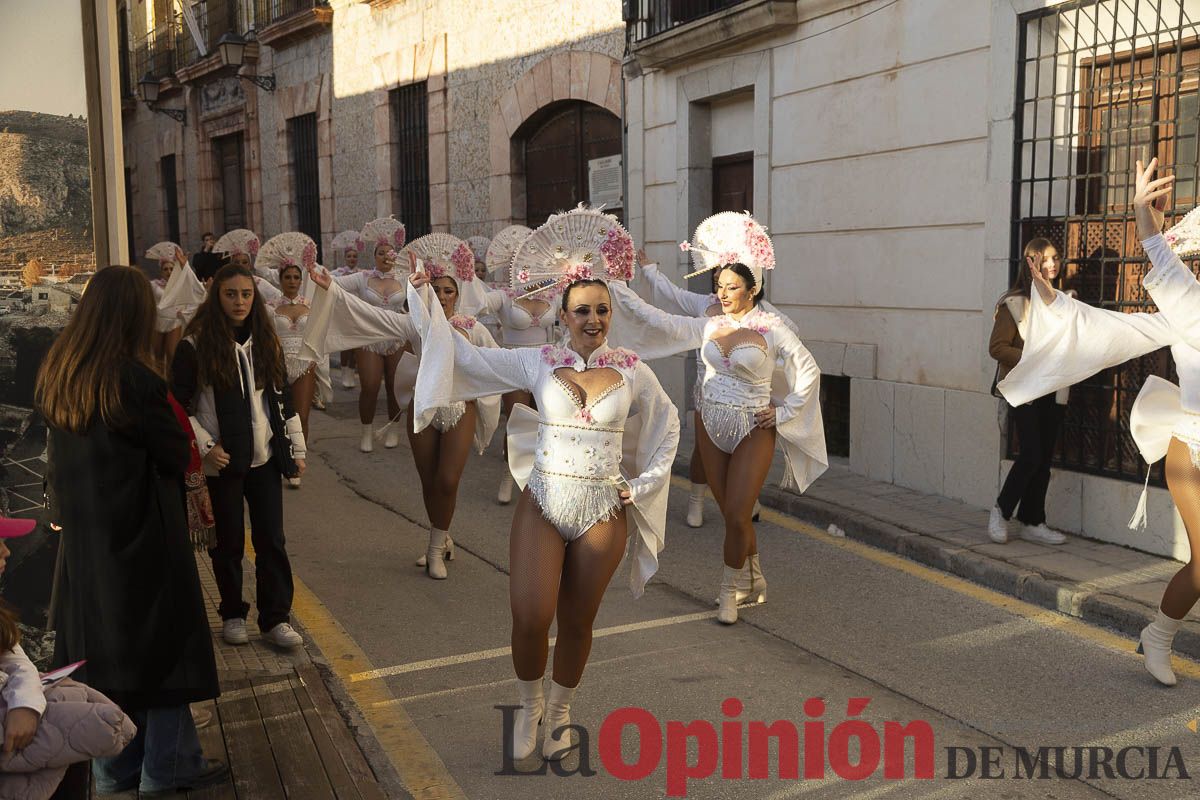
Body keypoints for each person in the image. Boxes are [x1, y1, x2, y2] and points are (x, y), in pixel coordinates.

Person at [308, 207, 679, 760]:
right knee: (531, 614)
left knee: (578, 620)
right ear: (563, 312)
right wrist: (424, 301)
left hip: (604, 509)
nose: (594, 319)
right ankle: (529, 703)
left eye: (602, 309)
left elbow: (667, 427)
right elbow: (467, 357)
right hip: (545, 500)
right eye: (583, 310)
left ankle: (559, 710)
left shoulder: (632, 370)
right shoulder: (537, 362)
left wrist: (642, 485)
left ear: (611, 313)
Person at [1000, 158, 1200, 687]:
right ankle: (1157, 636)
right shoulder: (1185, 308)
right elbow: (1150, 273)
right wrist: (1143, 216)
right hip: (1194, 450)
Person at [37, 266, 226, 794]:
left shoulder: (61, 370)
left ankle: (114, 765)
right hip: (144, 537)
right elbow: (172, 450)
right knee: (163, 653)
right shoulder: (135, 379)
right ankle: (168, 766)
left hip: (87, 546)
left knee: (110, 657)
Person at [607, 212, 828, 625]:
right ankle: (755, 576)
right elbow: (663, 319)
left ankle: (729, 590)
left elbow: (808, 370)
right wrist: (616, 291)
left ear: (753, 288)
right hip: (711, 424)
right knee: (731, 514)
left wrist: (784, 412)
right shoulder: (709, 324)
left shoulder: (773, 329)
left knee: (738, 513)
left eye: (732, 287)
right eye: (720, 286)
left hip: (753, 428)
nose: (723, 294)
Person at [304, 234, 501, 577]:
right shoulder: (414, 324)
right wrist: (332, 291)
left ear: (459, 295)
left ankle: (435, 549)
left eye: (448, 291)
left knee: (447, 481)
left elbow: (500, 364)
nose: (441, 297)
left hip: (459, 409)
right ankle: (443, 534)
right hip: (423, 409)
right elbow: (369, 316)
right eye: (436, 290)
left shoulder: (474, 329)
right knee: (428, 481)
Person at [171, 263, 306, 650]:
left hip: (263, 460)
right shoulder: (194, 345)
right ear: (217, 297)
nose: (239, 302)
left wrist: (296, 449)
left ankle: (276, 619)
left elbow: (283, 398)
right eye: (231, 294)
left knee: (271, 541)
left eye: (246, 294)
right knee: (227, 543)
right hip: (225, 462)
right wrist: (206, 448)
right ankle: (232, 613)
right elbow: (179, 407)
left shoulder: (266, 341)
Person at [636, 251, 788, 528]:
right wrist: (649, 270)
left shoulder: (763, 315)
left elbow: (789, 346)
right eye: (716, 277)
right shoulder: (702, 305)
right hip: (708, 393)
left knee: (746, 455)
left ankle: (745, 500)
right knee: (703, 453)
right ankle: (696, 501)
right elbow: (670, 294)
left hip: (748, 399)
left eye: (727, 277)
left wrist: (779, 402)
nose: (720, 283)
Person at [987, 238, 1070, 546]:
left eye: (1056, 258)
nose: (1053, 264)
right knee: (1031, 453)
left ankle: (1033, 521)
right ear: (1031, 262)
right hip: (1024, 389)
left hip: (1053, 388)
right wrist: (1033, 359)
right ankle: (1001, 510)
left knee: (1044, 456)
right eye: (1045, 258)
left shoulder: (1063, 301)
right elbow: (997, 348)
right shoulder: (1014, 303)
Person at [333, 217, 409, 452]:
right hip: (369, 338)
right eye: (381, 253)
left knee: (396, 386)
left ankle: (393, 428)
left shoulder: (405, 278)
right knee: (370, 385)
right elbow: (334, 285)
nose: (386, 256)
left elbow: (425, 295)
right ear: (374, 256)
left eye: (390, 253)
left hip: (396, 338)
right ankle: (366, 431)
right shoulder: (362, 277)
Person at [255, 233, 321, 485]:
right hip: (278, 366)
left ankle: (297, 462)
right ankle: (281, 455)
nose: (292, 281)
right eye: (288, 277)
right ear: (280, 280)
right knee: (280, 414)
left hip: (304, 364)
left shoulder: (311, 306)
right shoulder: (270, 308)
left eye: (296, 277)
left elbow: (318, 334)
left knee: (301, 415)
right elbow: (265, 337)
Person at [331, 230, 364, 389]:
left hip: (357, 313)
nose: (352, 259)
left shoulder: (363, 274)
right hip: (343, 312)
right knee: (345, 346)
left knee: (356, 345)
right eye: (349, 256)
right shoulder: (337, 273)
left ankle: (352, 372)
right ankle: (345, 375)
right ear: (345, 258)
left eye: (355, 256)